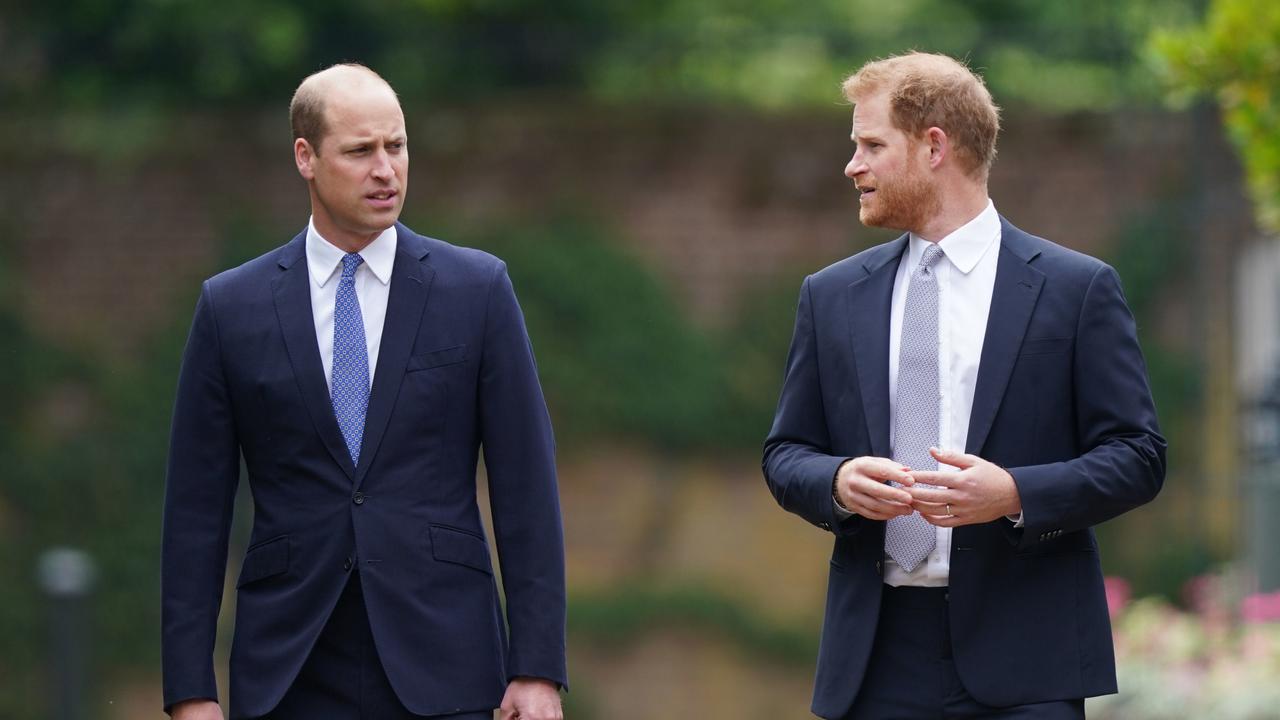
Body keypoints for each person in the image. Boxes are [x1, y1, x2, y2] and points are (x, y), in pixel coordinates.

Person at [762, 52, 1165, 719]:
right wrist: (836, 481)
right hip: (875, 661)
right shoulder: (830, 296)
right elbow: (785, 454)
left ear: (934, 147)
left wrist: (1013, 493)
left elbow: (1138, 456)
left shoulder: (1076, 289)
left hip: (1029, 661)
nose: (851, 166)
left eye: (870, 145)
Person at [161, 64, 566, 720]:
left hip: (450, 662)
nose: (386, 169)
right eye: (360, 151)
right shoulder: (230, 308)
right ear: (306, 157)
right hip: (289, 668)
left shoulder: (478, 290)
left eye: (397, 146)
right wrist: (190, 692)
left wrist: (538, 668)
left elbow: (527, 487)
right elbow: (194, 515)